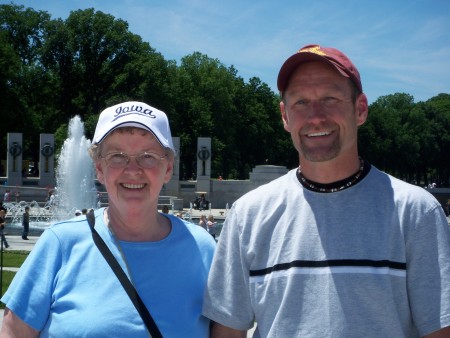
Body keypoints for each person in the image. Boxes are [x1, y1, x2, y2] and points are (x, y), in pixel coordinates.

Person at [202, 45, 450, 337]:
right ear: (285, 116)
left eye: (330, 99)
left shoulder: (416, 212)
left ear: (360, 109)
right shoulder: (248, 216)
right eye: (301, 102)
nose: (316, 117)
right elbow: (228, 330)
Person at [1, 101, 216, 337]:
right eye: (117, 156)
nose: (133, 169)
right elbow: (12, 331)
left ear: (168, 169)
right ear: (99, 169)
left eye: (148, 156)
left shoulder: (203, 249)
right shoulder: (60, 244)